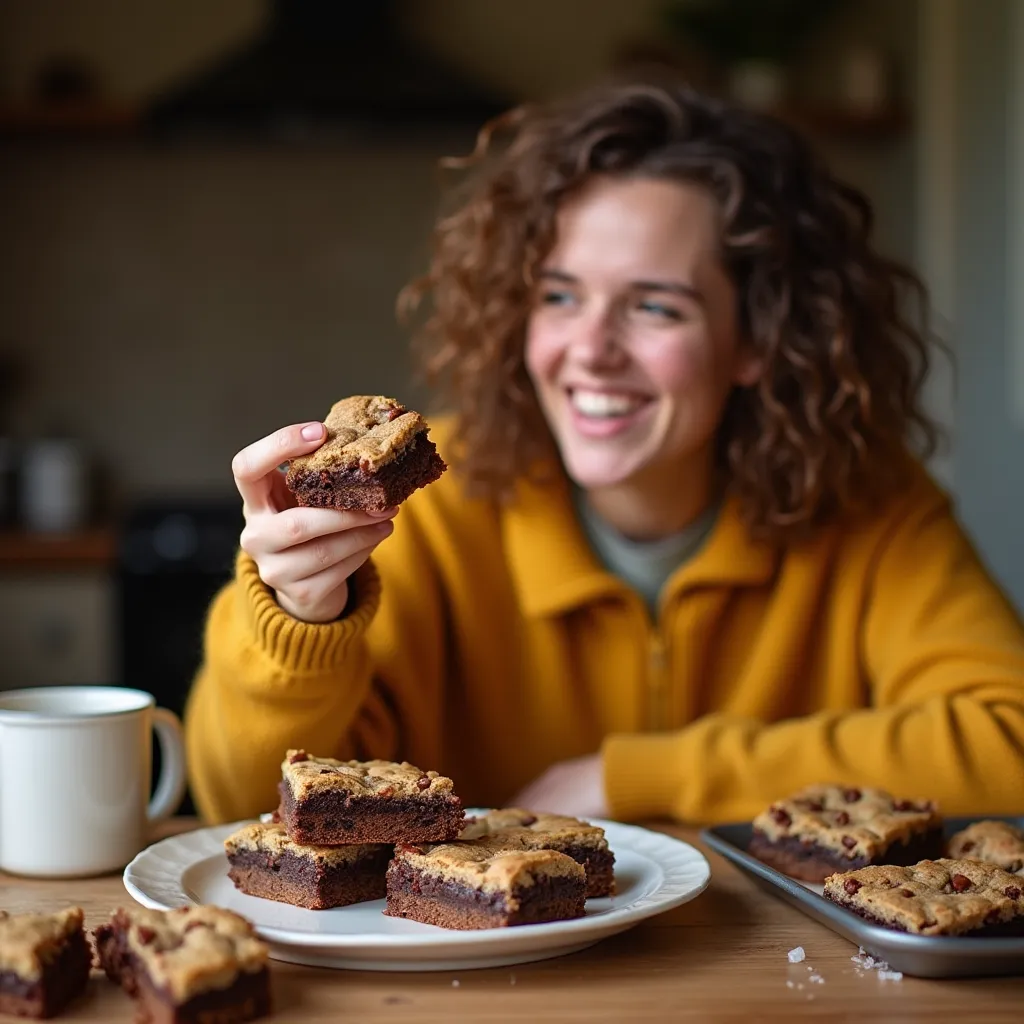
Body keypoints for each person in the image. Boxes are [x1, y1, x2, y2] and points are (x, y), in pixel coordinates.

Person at [185, 75, 1024, 826]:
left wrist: (631, 778)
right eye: (559, 296)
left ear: (758, 339)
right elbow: (243, 806)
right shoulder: (427, 513)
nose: (589, 350)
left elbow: (1010, 740)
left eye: (654, 308)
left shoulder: (869, 504)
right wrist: (298, 623)